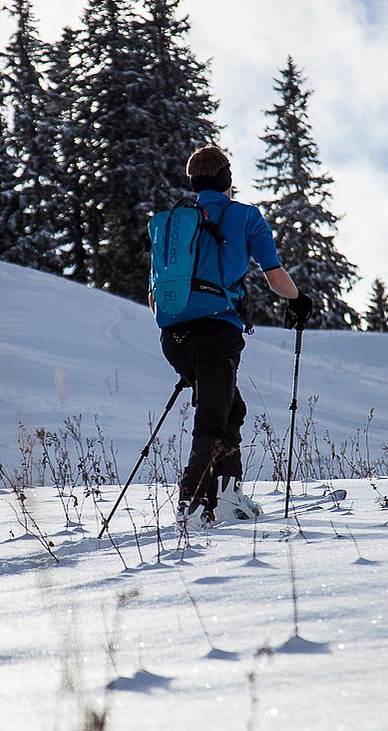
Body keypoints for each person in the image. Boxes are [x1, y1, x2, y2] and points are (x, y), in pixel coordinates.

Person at [148, 145, 314, 527]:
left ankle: (225, 495)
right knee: (213, 416)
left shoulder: (173, 223)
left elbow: (156, 291)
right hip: (216, 331)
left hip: (173, 337)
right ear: (226, 178)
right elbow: (274, 277)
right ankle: (192, 503)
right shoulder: (245, 217)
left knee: (229, 409)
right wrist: (300, 299)